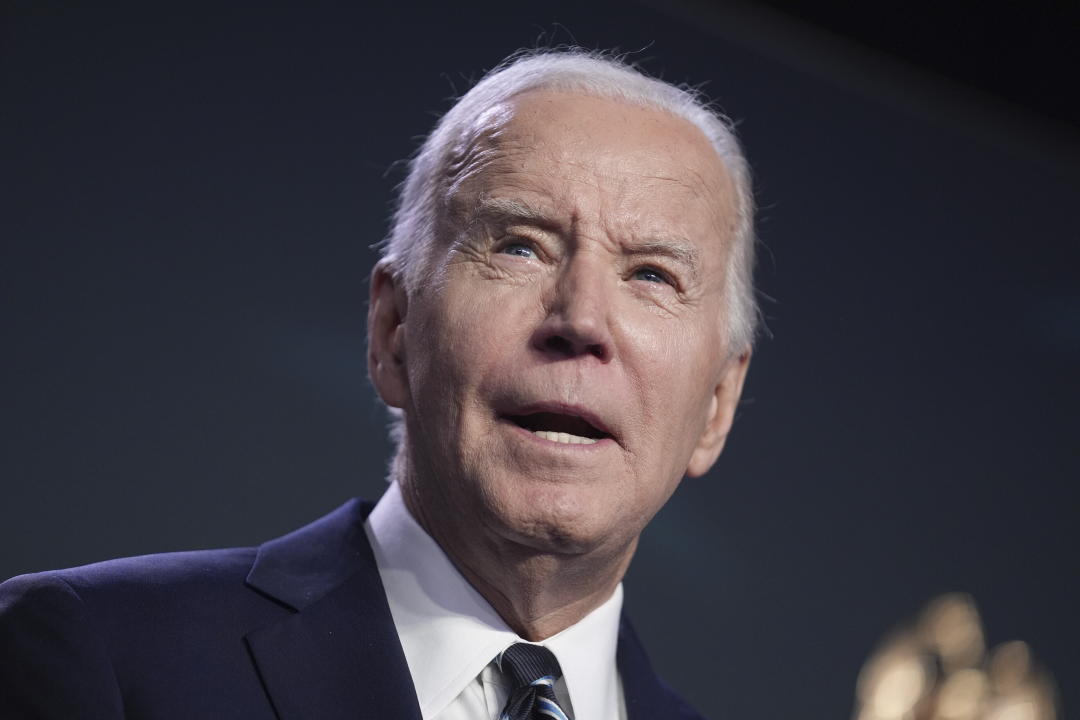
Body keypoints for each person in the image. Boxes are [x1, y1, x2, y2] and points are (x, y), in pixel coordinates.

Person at [0, 48, 756, 719]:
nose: (581, 319)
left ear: (717, 404)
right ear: (393, 332)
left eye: (652, 275)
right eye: (520, 246)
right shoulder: (99, 655)